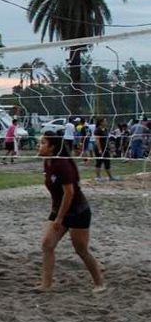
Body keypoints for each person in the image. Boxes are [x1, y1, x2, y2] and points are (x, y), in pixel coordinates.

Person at [36, 131, 105, 293]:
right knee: (47, 244)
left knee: (81, 250)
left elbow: (70, 193)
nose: (39, 145)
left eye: (43, 143)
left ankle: (99, 283)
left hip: (77, 211)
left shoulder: (62, 164)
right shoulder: (48, 162)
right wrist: (56, 213)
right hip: (59, 209)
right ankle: (46, 285)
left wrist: (59, 218)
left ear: (52, 147)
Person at [92, 117, 115, 182]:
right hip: (99, 149)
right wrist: (100, 150)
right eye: (105, 121)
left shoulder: (105, 129)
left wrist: (110, 148)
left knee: (107, 162)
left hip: (105, 149)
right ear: (101, 122)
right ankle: (98, 177)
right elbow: (97, 141)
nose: (106, 122)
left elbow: (107, 140)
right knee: (99, 162)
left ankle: (111, 177)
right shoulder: (98, 130)